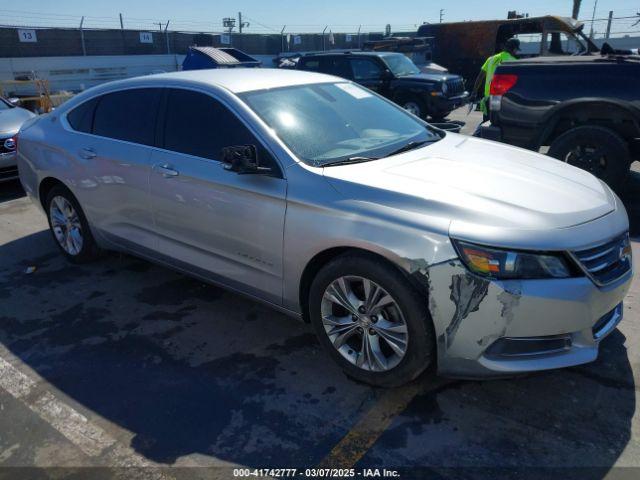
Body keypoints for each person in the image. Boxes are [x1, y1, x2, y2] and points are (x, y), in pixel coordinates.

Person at [472, 38, 521, 122]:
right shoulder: (514, 62)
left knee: (486, 123)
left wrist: (474, 92)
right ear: (514, 49)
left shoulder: (491, 59)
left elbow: (480, 76)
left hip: (488, 98)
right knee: (498, 124)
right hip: (502, 99)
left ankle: (482, 134)